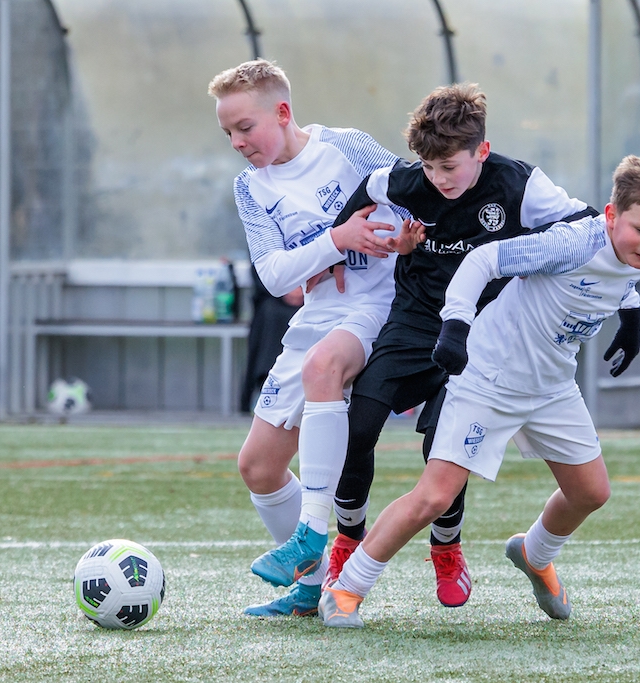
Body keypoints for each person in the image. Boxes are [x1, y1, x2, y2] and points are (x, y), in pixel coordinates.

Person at [319, 155, 640, 627]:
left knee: (591, 492)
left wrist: (630, 313)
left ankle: (534, 554)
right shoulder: (570, 242)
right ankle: (346, 588)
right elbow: (483, 259)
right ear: (611, 216)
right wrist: (456, 323)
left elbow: (620, 276)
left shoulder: (635, 250)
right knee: (434, 497)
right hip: (489, 379)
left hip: (551, 386)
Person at [311, 83, 595, 609]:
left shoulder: (519, 183)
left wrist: (552, 267)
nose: (438, 179)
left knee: (441, 445)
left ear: (481, 151)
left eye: (449, 167)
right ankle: (347, 538)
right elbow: (368, 189)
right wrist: (337, 243)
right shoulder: (408, 180)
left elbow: (586, 223)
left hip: (482, 335)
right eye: (429, 167)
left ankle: (446, 546)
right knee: (359, 424)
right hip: (415, 322)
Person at [208, 59, 416, 617]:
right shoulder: (250, 187)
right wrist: (336, 240)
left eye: (245, 127)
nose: (237, 142)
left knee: (323, 366)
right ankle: (313, 584)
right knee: (257, 466)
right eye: (228, 133)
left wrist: (399, 242)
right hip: (318, 317)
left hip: (379, 307)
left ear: (282, 112)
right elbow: (275, 276)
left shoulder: (346, 146)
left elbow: (415, 198)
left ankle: (312, 535)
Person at [239, 265, 303, 414]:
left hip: (319, 292)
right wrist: (285, 288)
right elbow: (262, 265)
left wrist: (305, 287)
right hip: (275, 294)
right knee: (269, 313)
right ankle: (266, 385)